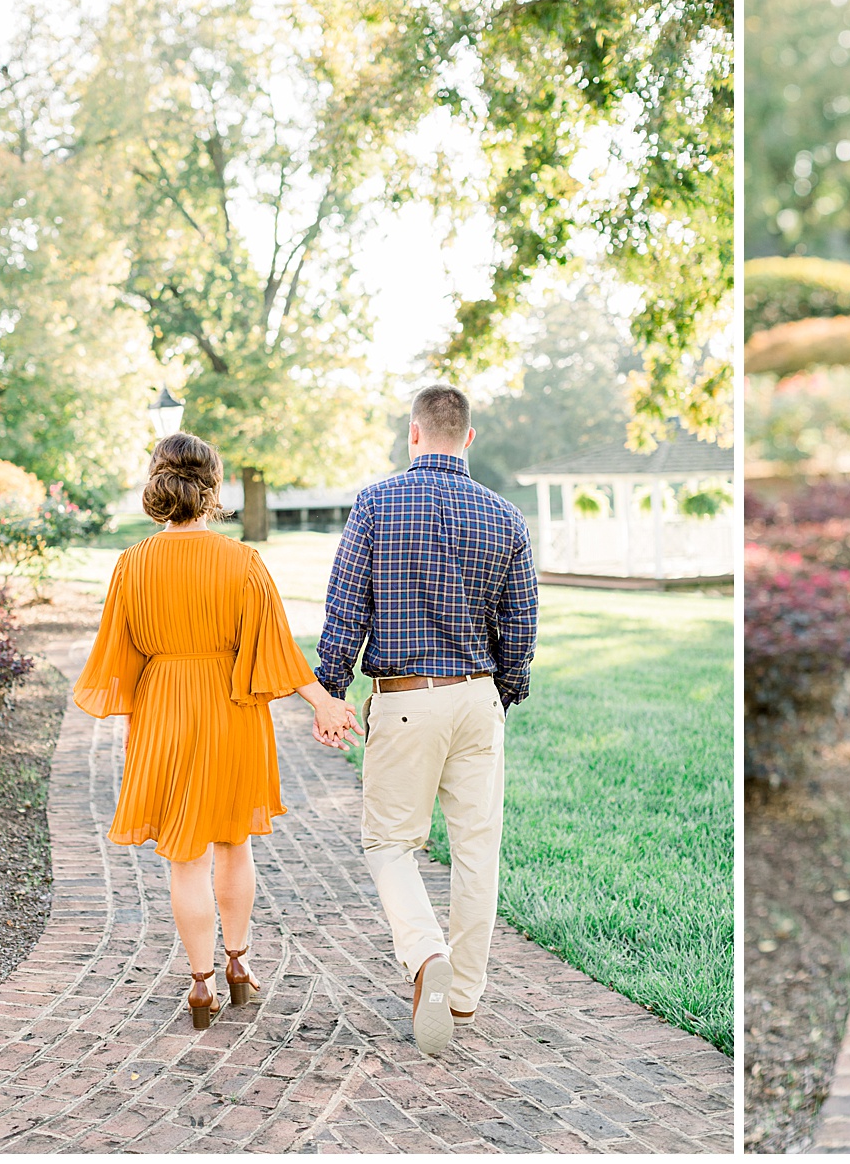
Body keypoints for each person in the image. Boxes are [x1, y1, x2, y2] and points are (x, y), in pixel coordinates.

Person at [73, 432, 355, 1028]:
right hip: (231, 710)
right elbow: (277, 649)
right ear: (214, 488)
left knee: (186, 859)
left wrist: (140, 728)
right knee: (234, 843)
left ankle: (199, 986)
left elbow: (119, 659)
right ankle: (238, 963)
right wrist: (324, 703)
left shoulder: (131, 564)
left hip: (164, 712)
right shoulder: (243, 562)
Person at [315, 382, 539, 1057]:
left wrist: (331, 690)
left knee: (390, 844)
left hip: (407, 697)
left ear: (413, 433)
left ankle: (425, 954)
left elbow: (346, 606)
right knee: (477, 851)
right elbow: (521, 626)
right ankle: (463, 995)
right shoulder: (506, 516)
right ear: (468, 438)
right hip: (477, 698)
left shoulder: (376, 503)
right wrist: (502, 693)